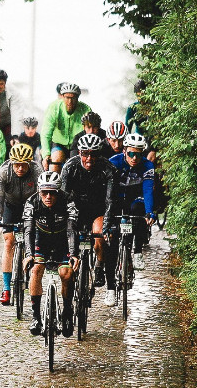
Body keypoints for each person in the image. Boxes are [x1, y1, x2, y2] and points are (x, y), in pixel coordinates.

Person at [60, 133, 118, 307]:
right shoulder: (70, 167)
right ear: (79, 153)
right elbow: (63, 197)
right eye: (85, 154)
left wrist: (107, 225)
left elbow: (110, 201)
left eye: (93, 154)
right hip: (76, 209)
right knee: (71, 242)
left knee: (100, 235)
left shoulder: (108, 169)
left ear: (99, 154)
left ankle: (100, 266)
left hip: (99, 209)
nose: (89, 158)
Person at [22, 171, 79, 337]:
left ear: (59, 191)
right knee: (36, 270)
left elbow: (71, 229)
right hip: (41, 240)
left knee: (66, 273)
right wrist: (29, 254)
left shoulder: (68, 200)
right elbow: (28, 230)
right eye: (44, 193)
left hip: (63, 241)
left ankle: (67, 312)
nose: (48, 196)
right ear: (39, 191)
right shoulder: (32, 202)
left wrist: (74, 253)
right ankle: (36, 317)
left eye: (52, 193)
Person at [0, 143, 43, 305]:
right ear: (11, 163)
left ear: (30, 164)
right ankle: (6, 288)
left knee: (33, 238)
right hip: (10, 206)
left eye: (23, 165)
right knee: (9, 242)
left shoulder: (37, 171)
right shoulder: (3, 173)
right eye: (17, 165)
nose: (20, 168)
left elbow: (44, 194)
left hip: (30, 206)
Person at [109, 133, 155, 271]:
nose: (134, 158)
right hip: (118, 196)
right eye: (130, 154)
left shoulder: (148, 166)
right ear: (124, 151)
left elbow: (148, 190)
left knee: (139, 212)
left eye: (138, 155)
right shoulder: (113, 162)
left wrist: (149, 212)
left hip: (136, 196)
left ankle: (138, 253)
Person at [40, 82, 92, 173]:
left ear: (78, 98)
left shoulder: (85, 109)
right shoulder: (54, 108)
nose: (70, 102)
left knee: (77, 165)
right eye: (67, 98)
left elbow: (89, 132)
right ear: (62, 97)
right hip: (59, 143)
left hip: (77, 144)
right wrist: (46, 155)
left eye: (73, 98)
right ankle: (55, 184)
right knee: (55, 160)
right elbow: (46, 133)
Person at [125, 79, 156, 162]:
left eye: (142, 95)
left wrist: (153, 150)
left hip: (153, 143)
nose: (140, 98)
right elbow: (127, 129)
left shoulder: (154, 107)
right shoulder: (132, 108)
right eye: (138, 95)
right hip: (137, 141)